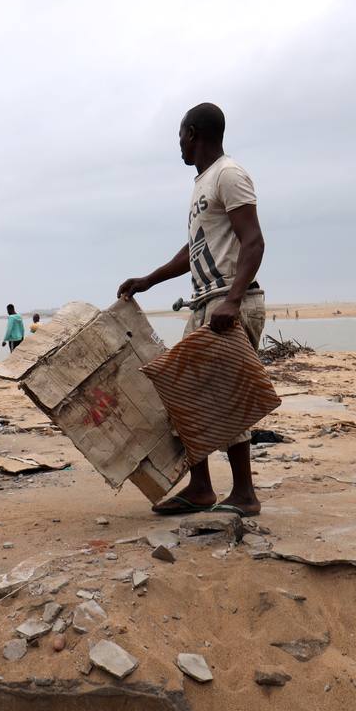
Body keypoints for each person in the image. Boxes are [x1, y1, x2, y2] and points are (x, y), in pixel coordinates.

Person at [118, 102, 266, 517]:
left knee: (227, 395)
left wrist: (232, 300)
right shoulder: (203, 183)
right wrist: (149, 280)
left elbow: (253, 241)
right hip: (206, 302)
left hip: (229, 301)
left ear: (193, 133)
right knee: (182, 391)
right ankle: (201, 487)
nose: (179, 145)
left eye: (180, 136)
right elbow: (195, 250)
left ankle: (245, 494)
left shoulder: (228, 175)